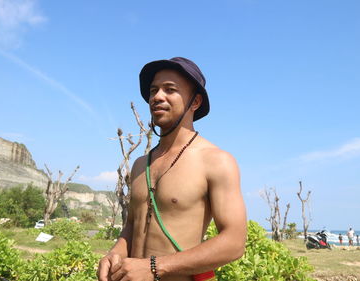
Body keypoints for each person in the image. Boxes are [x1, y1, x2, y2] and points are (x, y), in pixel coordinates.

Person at [97, 57, 247, 281]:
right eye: (153, 90)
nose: (157, 97)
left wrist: (154, 267)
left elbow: (234, 243)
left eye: (170, 89)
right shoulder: (141, 164)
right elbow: (132, 224)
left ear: (195, 102)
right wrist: (117, 251)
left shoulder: (216, 161)